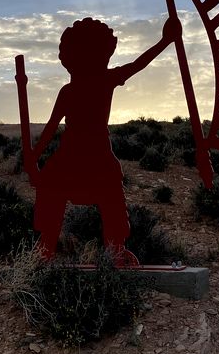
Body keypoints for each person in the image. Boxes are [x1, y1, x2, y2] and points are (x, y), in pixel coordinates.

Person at [30, 15, 180, 263]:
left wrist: (165, 41)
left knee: (107, 200)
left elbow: (49, 130)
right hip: (82, 156)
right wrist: (33, 157)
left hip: (85, 156)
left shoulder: (91, 84)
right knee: (60, 193)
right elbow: (50, 128)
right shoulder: (90, 84)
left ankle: (115, 250)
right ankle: (47, 249)